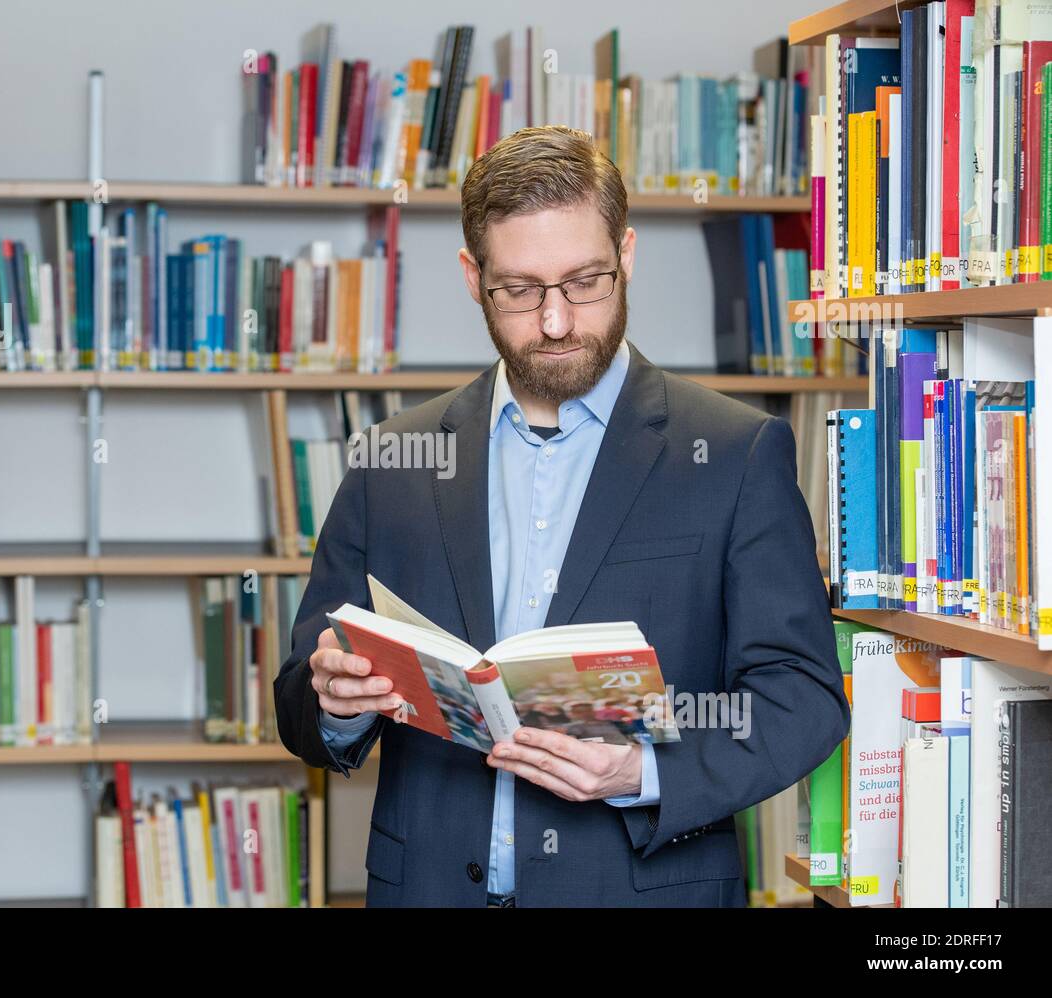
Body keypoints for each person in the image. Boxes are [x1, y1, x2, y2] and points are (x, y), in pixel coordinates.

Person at [273, 125, 848, 907]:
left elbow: (802, 698)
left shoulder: (735, 453)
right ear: (473, 278)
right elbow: (300, 701)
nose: (554, 322)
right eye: (519, 290)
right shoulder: (392, 461)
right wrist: (333, 705)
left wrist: (645, 771)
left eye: (585, 282)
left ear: (628, 256)